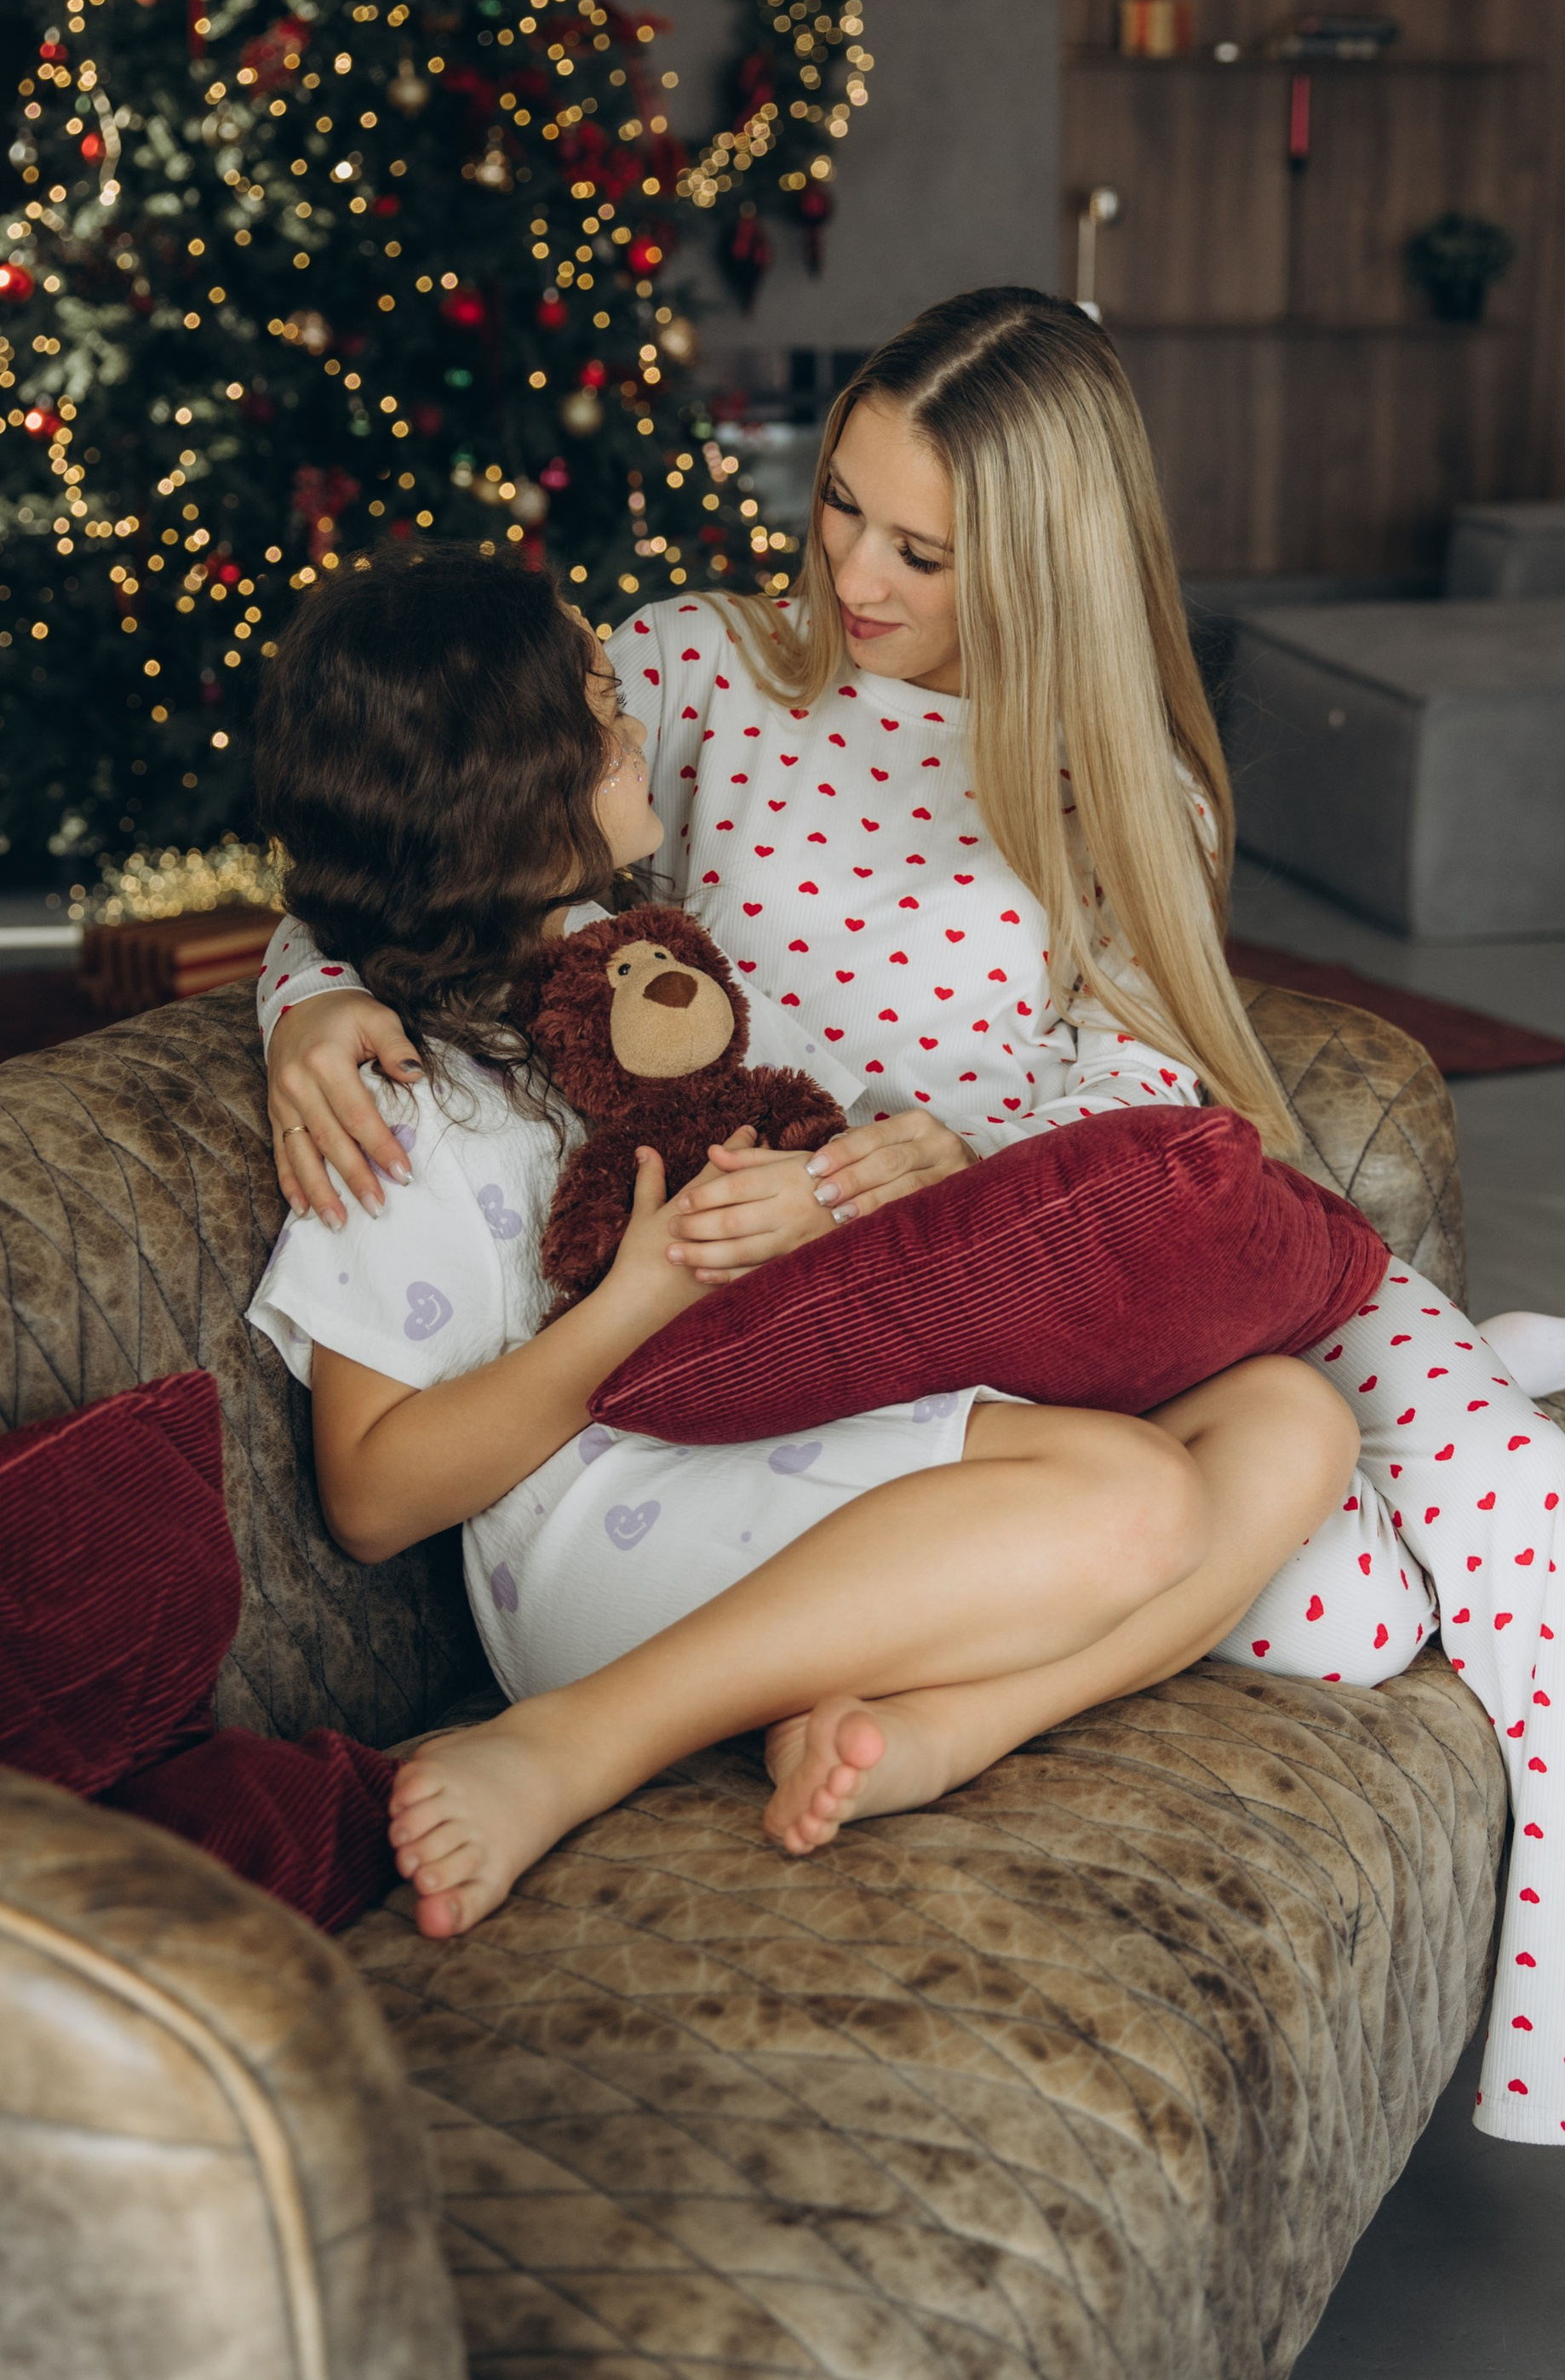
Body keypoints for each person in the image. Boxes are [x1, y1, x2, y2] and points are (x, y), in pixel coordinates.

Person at [259, 289, 1565, 2380]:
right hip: (754, 1325)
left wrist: (968, 1162)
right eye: (840, 510)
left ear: (1048, 564)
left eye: (924, 552)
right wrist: (298, 1000)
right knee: (1318, 1562)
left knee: (1412, 1537)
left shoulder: (1129, 784)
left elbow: (1140, 1107)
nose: (856, 580)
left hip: (1021, 1282)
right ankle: (1387, 1402)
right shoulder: (701, 676)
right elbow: (428, 832)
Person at [244, 546, 1361, 1944]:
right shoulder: (396, 1096)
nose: (637, 721)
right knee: (1138, 1496)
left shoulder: (631, 961)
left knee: (1293, 1417)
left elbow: (763, 1184)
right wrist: (633, 1302)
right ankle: (582, 1741)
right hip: (596, 1531)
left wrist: (872, 1187)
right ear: (504, 792)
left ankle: (940, 1732)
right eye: (600, 708)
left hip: (739, 1422)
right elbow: (369, 1493)